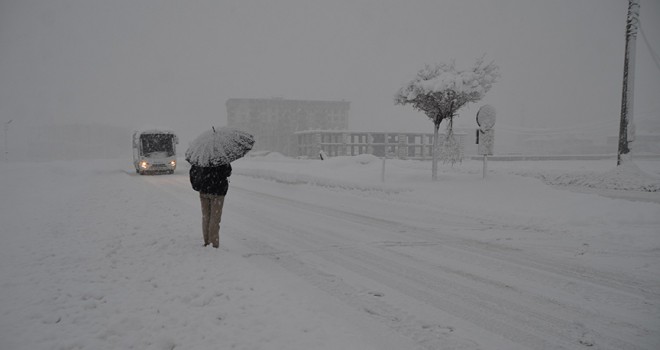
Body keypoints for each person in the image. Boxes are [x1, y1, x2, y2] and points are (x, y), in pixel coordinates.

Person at [189, 163, 232, 248]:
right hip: (218, 192)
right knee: (214, 219)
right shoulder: (220, 158)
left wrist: (197, 185)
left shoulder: (200, 158)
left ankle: (207, 241)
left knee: (206, 217)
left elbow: (192, 173)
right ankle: (213, 244)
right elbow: (227, 172)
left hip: (204, 191)